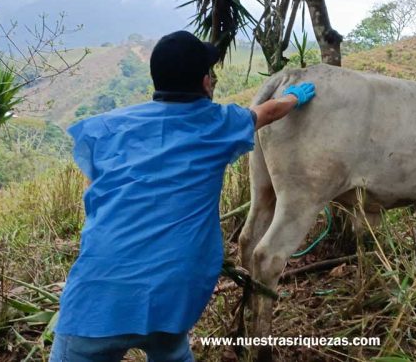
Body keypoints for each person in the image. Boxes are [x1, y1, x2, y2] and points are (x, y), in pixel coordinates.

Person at [49, 30, 315, 362]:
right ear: (206, 82)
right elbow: (269, 112)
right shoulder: (218, 124)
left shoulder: (107, 128)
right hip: (172, 295)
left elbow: (94, 196)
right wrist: (294, 97)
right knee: (170, 348)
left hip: (97, 297)